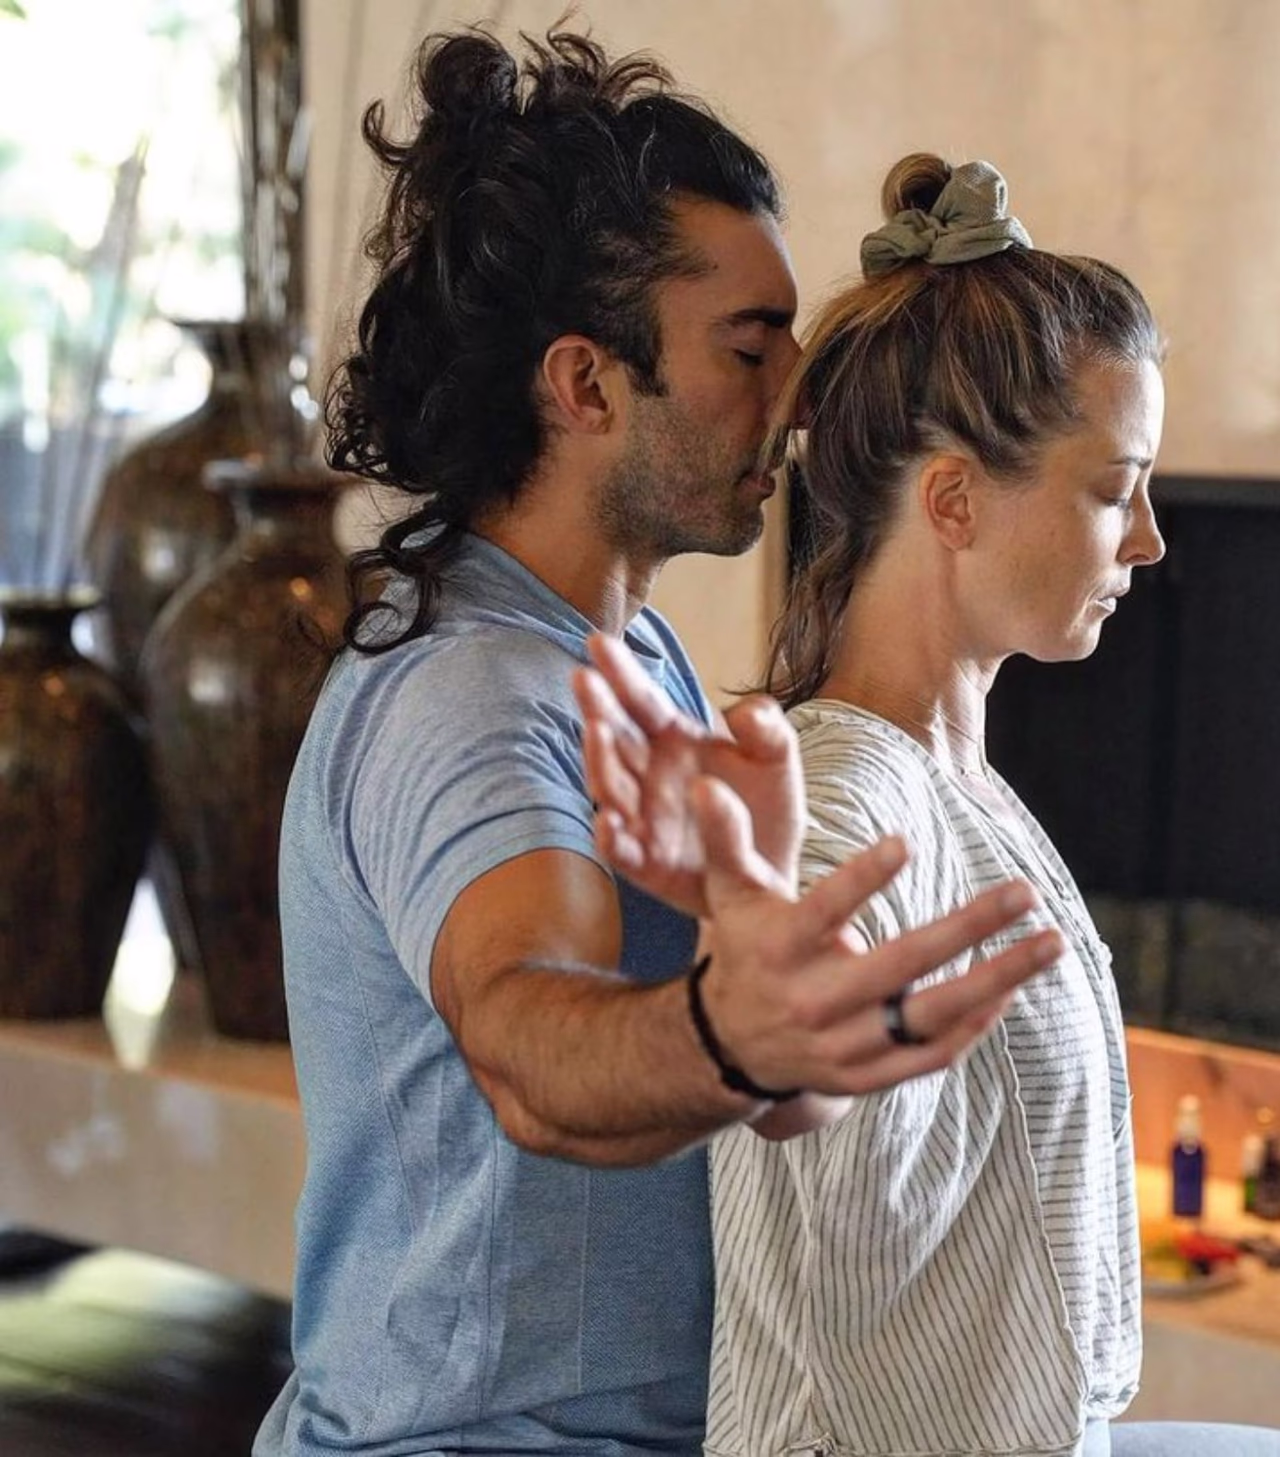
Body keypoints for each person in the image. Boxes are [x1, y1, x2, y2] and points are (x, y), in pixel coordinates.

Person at [253, 30, 1065, 1457]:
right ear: (585, 386)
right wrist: (729, 1035)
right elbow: (528, 1036)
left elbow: (739, 1088)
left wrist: (777, 1042)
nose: (800, 391)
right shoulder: (472, 692)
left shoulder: (631, 654)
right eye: (751, 348)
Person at [578, 157, 1280, 1456]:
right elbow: (794, 1086)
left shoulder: (959, 777)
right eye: (1111, 487)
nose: (1148, 539)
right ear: (953, 499)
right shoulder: (844, 797)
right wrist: (762, 1034)